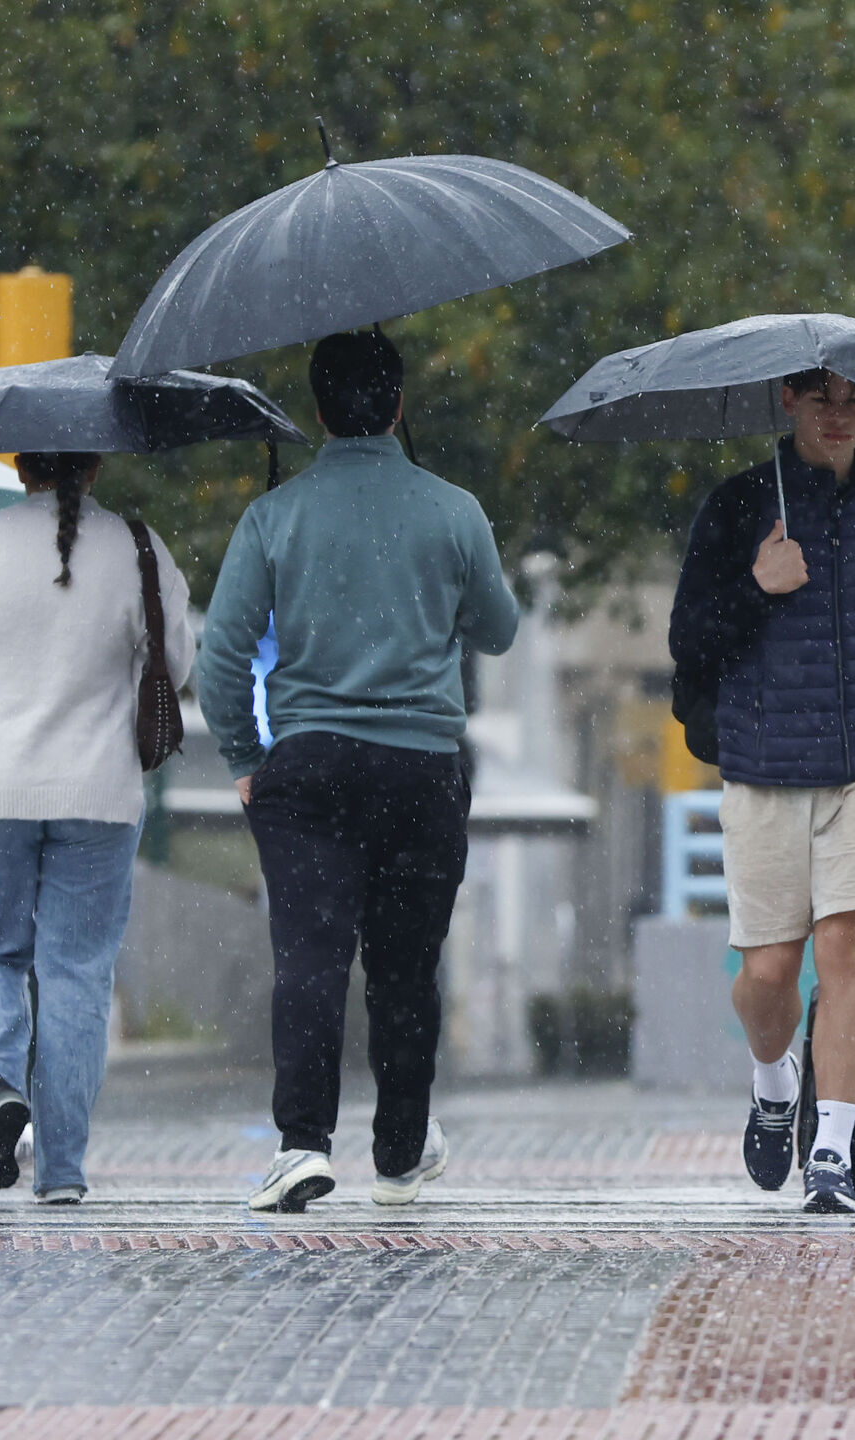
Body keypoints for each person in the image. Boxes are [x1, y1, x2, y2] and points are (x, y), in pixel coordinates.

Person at [204, 331, 520, 1215]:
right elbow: (498, 630)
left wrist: (245, 757)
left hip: (309, 768)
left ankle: (303, 1144)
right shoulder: (454, 510)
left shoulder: (274, 516)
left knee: (310, 958)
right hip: (422, 769)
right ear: (399, 404)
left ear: (316, 411)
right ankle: (401, 1150)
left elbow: (222, 655)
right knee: (406, 967)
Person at [666, 369, 855, 1215]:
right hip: (763, 769)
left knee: (846, 951)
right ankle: (773, 1080)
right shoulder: (738, 506)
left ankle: (831, 1152)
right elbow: (688, 641)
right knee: (769, 973)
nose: (839, 415)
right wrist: (758, 585)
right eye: (822, 398)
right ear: (788, 400)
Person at [0, 451, 192, 1203]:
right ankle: (61, 1171)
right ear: (94, 468)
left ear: (20, 466)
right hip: (101, 794)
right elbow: (177, 664)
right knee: (76, 975)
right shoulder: (139, 550)